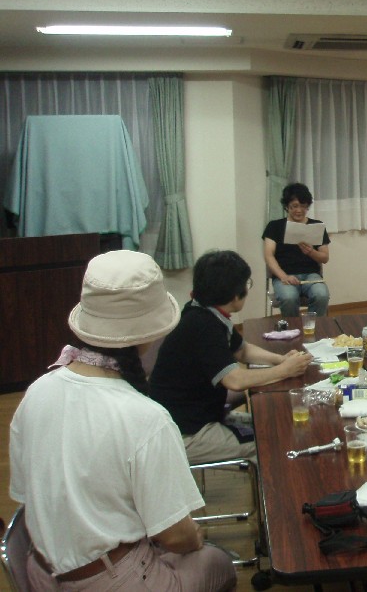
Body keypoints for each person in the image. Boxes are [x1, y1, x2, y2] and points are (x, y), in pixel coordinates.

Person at [9, 250, 236, 591]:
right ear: (151, 333)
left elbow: (25, 494)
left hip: (40, 572)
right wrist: (194, 537)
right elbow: (176, 536)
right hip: (112, 579)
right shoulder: (146, 417)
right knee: (216, 563)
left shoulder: (37, 391)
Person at [150, 250, 312, 464]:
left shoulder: (204, 311)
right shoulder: (202, 326)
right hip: (185, 432)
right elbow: (235, 381)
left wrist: (281, 360)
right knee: (271, 440)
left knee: (273, 423)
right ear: (236, 295)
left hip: (197, 413)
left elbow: (241, 350)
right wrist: (284, 371)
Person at [263, 182, 331, 316]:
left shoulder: (316, 226)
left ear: (307, 206)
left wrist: (311, 252)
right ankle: (294, 328)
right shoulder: (274, 226)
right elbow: (268, 255)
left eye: (303, 206)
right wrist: (283, 276)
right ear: (286, 206)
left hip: (311, 275)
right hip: (284, 274)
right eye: (294, 206)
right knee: (289, 298)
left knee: (321, 295)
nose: (299, 210)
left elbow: (325, 258)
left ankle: (314, 326)